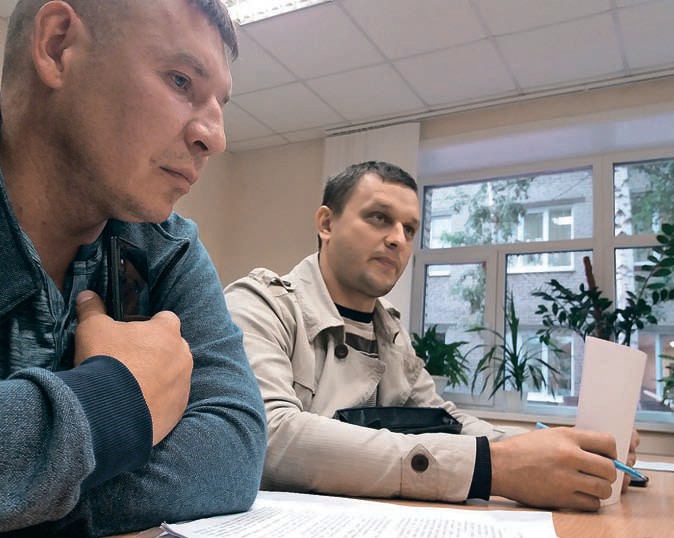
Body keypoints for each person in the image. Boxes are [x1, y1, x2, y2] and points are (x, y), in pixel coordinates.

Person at [0, 1, 266, 536]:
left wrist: (10, 499)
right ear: (57, 46)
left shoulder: (167, 247)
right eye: (181, 80)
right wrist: (112, 403)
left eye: (219, 104)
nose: (216, 138)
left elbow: (234, 444)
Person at [225, 160, 639, 512]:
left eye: (409, 229)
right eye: (379, 217)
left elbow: (444, 419)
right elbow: (269, 437)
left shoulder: (390, 331)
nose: (397, 239)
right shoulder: (261, 304)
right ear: (327, 223)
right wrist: (490, 467)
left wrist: (562, 453)